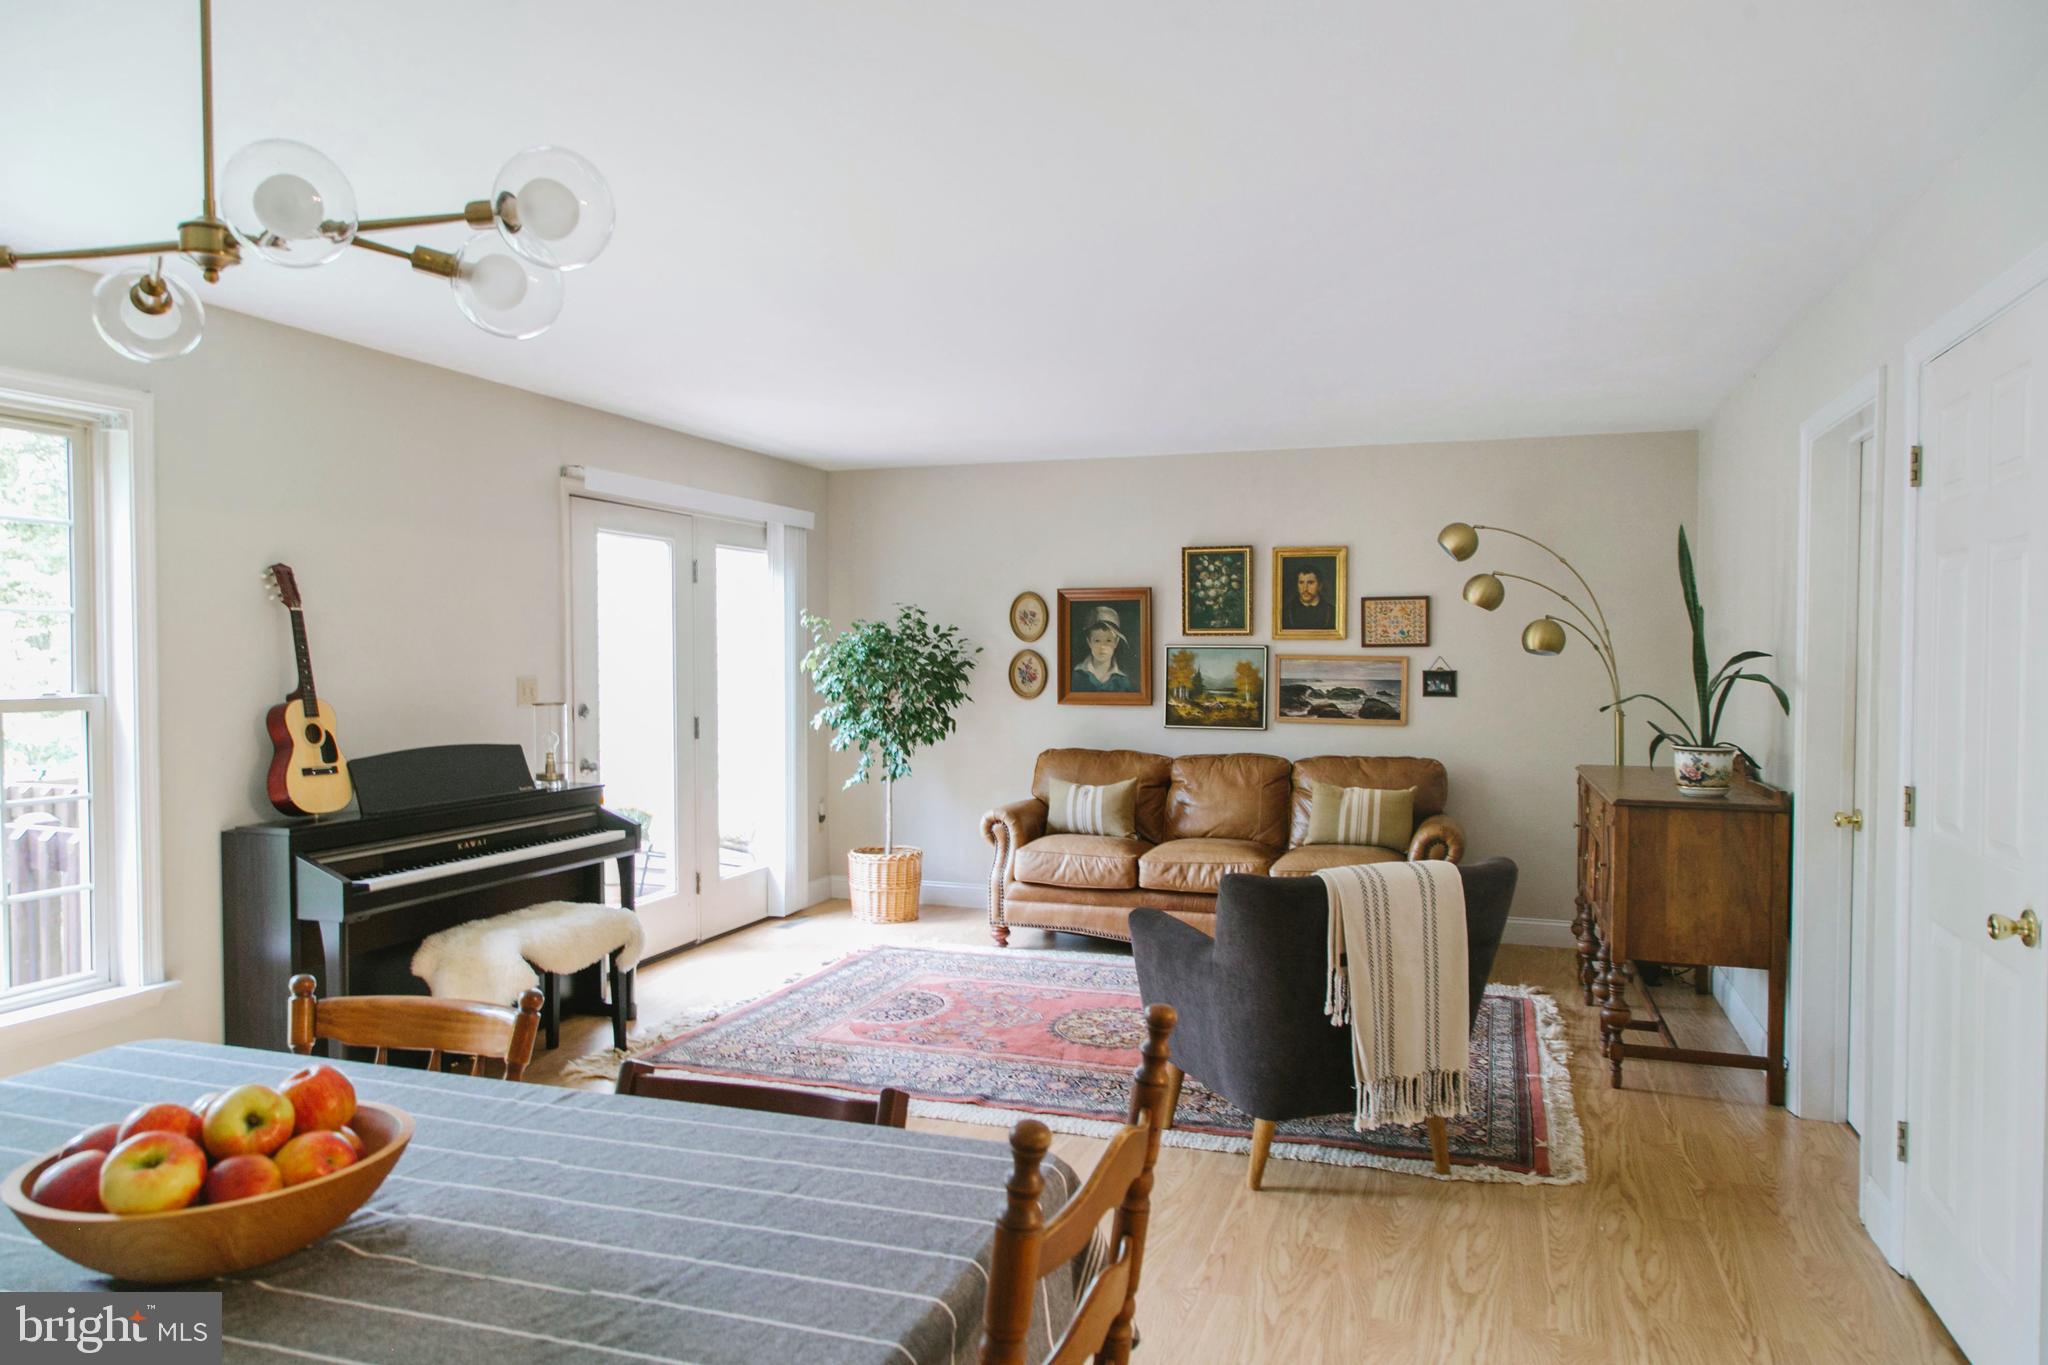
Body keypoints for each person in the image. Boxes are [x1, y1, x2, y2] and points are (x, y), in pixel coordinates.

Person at [1070, 604, 1137, 692]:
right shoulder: (1075, 677)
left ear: (1116, 642)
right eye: (1097, 641)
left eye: (1108, 640)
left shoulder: (1123, 682)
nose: (1102, 647)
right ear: (1089, 642)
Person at [1281, 564, 1335, 632]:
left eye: (1310, 583)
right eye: (1301, 583)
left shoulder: (1332, 612)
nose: (1305, 588)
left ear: (1320, 586)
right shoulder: (1286, 613)